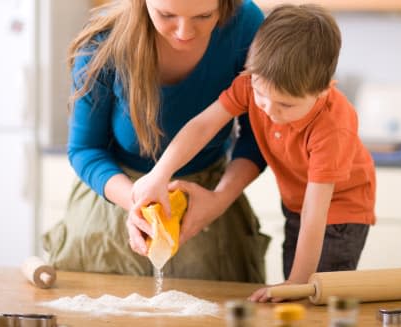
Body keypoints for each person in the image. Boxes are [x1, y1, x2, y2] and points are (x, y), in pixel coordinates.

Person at [131, 4, 376, 302]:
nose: (269, 110)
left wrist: (296, 282)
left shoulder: (332, 127)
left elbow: (317, 211)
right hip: (298, 206)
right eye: (261, 96)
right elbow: (202, 126)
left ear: (322, 91)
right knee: (295, 294)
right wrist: (160, 174)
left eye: (285, 105)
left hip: (338, 215)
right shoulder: (252, 83)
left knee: (314, 295)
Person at [42, 0, 271, 283]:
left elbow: (259, 135)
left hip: (207, 207)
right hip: (114, 205)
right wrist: (137, 203)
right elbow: (85, 149)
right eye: (166, 15)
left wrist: (220, 199)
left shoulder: (245, 23)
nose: (185, 32)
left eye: (203, 16)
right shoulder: (103, 40)